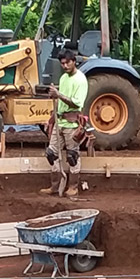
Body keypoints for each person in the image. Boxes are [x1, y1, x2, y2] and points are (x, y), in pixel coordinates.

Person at [41, 49, 89, 197]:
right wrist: (51, 118)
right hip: (59, 122)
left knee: (72, 155)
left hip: (72, 124)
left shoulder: (80, 80)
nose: (65, 66)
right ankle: (55, 185)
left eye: (68, 63)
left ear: (74, 61)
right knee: (51, 153)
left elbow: (76, 104)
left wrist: (58, 95)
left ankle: (73, 187)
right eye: (62, 63)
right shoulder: (63, 78)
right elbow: (60, 102)